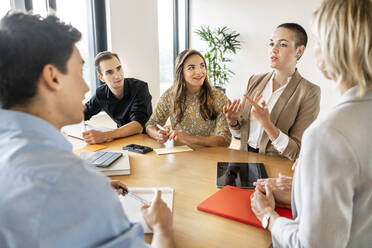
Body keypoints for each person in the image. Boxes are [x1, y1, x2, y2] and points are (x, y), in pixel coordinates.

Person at [0, 12, 174, 248]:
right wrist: (162, 227)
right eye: (79, 72)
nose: (84, 87)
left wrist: (91, 185)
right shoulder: (68, 180)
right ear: (52, 77)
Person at [251, 0, 372, 246]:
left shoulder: (328, 133)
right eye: (272, 42)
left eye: (317, 40)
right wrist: (302, 190)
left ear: (333, 47)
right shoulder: (255, 80)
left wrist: (268, 217)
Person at [223, 23, 320, 161]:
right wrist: (233, 122)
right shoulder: (254, 80)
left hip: (276, 170)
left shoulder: (310, 92)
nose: (273, 50)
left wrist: (266, 123)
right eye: (271, 43)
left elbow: (297, 152)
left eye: (283, 45)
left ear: (299, 51)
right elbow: (240, 136)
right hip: (243, 161)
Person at [146, 49, 231, 147]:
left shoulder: (219, 97)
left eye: (202, 66)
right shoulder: (169, 95)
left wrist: (189, 138)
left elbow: (225, 140)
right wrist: (157, 134)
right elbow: (150, 124)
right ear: (181, 72)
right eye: (191, 68)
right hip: (180, 156)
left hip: (210, 156)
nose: (199, 72)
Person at [83, 51, 152, 144]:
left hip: (146, 139)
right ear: (101, 77)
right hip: (121, 141)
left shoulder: (140, 87)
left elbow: (138, 126)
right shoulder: (101, 93)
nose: (117, 75)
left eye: (119, 68)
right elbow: (81, 114)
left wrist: (104, 135)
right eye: (109, 72)